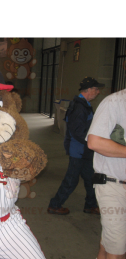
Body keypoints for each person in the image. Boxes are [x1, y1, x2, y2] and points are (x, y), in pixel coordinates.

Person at [47, 77, 104, 215]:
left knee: (90, 179)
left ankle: (90, 205)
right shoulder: (80, 107)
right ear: (89, 90)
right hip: (79, 150)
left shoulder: (83, 104)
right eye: (96, 89)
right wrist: (94, 143)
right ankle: (55, 205)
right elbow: (78, 132)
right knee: (71, 180)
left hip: (84, 150)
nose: (98, 92)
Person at [87, 88, 126, 259]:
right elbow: (94, 142)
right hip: (113, 185)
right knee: (118, 252)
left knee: (112, 240)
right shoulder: (114, 102)